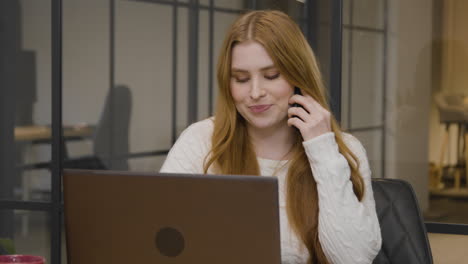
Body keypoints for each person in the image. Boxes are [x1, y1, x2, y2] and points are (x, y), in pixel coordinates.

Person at [161, 10, 382, 264]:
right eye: (241, 79)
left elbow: (353, 259)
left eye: (271, 75)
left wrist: (322, 150)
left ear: (298, 76)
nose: (255, 92)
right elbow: (158, 240)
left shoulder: (343, 150)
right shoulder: (199, 141)